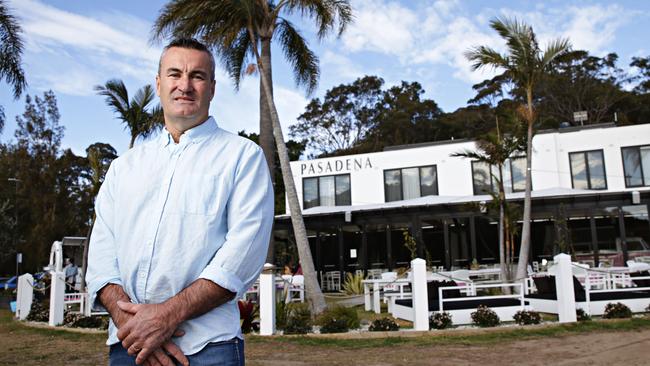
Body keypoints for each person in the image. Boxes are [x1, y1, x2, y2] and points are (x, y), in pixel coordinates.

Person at [86, 38, 274, 366]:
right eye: (175, 74)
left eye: (197, 76)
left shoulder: (242, 157)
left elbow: (241, 256)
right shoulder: (124, 167)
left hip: (208, 348)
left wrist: (165, 317)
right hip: (129, 346)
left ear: (212, 88)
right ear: (159, 84)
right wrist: (133, 323)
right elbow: (102, 256)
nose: (184, 85)